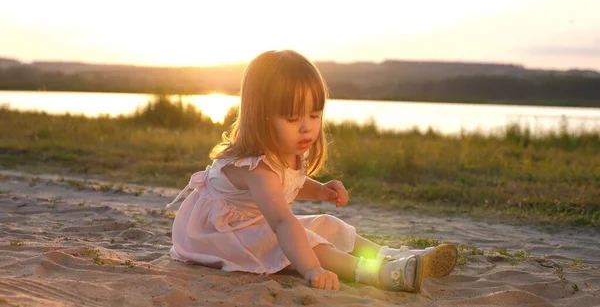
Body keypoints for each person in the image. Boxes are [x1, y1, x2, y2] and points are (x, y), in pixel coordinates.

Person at [166, 50, 457, 292]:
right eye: (293, 117)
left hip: (254, 221)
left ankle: (392, 256)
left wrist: (320, 189)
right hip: (219, 234)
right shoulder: (256, 168)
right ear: (260, 117)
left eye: (314, 115)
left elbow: (289, 184)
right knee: (305, 242)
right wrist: (311, 268)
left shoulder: (288, 152)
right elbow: (281, 222)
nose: (306, 126)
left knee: (327, 224)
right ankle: (375, 273)